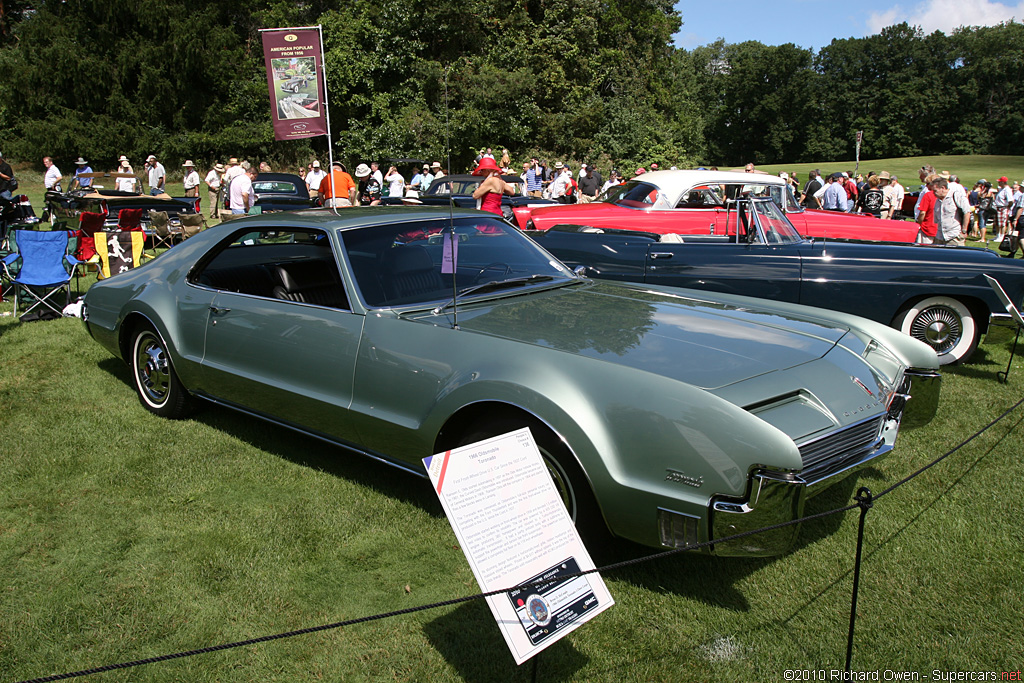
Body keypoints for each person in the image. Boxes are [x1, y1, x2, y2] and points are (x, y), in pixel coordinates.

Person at [933, 177, 969, 246]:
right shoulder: (937, 201)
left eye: (935, 191)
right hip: (940, 237)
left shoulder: (956, 196)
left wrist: (964, 231)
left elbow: (967, 212)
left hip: (954, 236)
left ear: (943, 188)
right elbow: (937, 220)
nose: (934, 193)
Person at [916, 175, 939, 244]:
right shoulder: (943, 195)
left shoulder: (928, 195)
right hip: (939, 230)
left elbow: (922, 213)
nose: (926, 186)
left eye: (928, 184)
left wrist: (919, 223)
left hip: (927, 228)